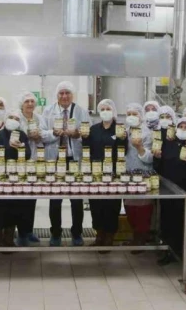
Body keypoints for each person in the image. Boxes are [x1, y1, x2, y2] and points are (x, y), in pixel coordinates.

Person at [42, 81, 91, 246]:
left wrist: (78, 134)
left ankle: (77, 233)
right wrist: (53, 133)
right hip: (56, 160)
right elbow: (41, 133)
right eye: (61, 93)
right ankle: (55, 233)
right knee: (55, 199)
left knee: (76, 199)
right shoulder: (48, 111)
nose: (64, 96)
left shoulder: (81, 112)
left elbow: (88, 134)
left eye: (67, 93)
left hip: (73, 159)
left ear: (72, 95)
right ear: (57, 95)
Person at [154, 110, 186, 265]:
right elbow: (159, 164)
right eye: (181, 126)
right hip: (168, 189)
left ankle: (182, 250)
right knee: (167, 219)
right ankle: (168, 249)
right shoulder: (168, 143)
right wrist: (157, 157)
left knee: (184, 220)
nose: (183, 129)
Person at [84, 99, 126, 249]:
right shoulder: (93, 129)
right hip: (96, 173)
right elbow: (86, 148)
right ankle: (99, 235)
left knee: (111, 205)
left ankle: (109, 237)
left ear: (113, 111)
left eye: (108, 109)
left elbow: (124, 151)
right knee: (96, 204)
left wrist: (122, 139)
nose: (105, 112)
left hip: (114, 173)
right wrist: (84, 137)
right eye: (102, 109)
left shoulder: (119, 129)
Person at [0, 109, 31, 247]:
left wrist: (21, 147)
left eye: (17, 119)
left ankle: (9, 239)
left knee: (14, 209)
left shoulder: (22, 135)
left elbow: (28, 154)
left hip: (16, 178)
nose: (13, 120)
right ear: (5, 120)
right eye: (11, 117)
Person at [17, 91, 50, 245]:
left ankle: (29, 230)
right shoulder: (17, 118)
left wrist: (39, 135)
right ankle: (21, 233)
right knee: (21, 199)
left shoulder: (39, 118)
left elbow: (47, 134)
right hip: (21, 163)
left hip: (36, 161)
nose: (30, 104)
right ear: (22, 104)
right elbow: (14, 135)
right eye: (27, 101)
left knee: (32, 198)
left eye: (32, 101)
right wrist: (26, 136)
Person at [123, 103, 154, 250]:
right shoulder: (126, 131)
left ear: (141, 116)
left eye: (134, 114)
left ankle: (141, 239)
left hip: (143, 174)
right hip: (127, 174)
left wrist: (139, 147)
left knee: (142, 209)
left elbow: (150, 158)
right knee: (129, 207)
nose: (131, 117)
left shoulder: (147, 133)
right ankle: (135, 236)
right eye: (129, 114)